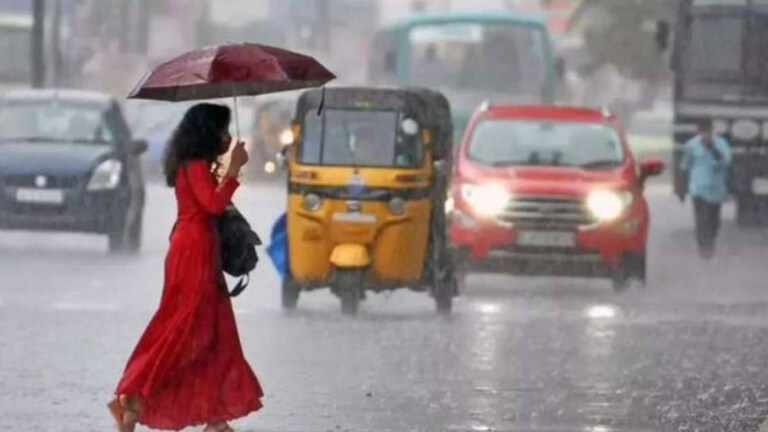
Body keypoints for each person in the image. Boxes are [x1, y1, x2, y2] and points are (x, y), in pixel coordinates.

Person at [108, 103, 263, 432]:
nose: (226, 136)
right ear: (208, 133)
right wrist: (234, 169)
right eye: (222, 130)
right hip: (192, 254)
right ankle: (132, 399)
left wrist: (226, 170)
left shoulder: (198, 165)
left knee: (213, 334)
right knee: (182, 331)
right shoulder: (193, 165)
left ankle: (215, 417)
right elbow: (213, 204)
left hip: (201, 252)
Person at [678, 119, 732, 259]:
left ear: (712, 130)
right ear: (698, 131)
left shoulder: (721, 143)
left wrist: (711, 147)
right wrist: (681, 189)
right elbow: (685, 167)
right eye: (702, 131)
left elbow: (725, 162)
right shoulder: (691, 145)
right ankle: (703, 246)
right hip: (698, 188)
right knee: (701, 219)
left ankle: (711, 242)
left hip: (716, 189)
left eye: (707, 131)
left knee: (714, 221)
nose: (705, 135)